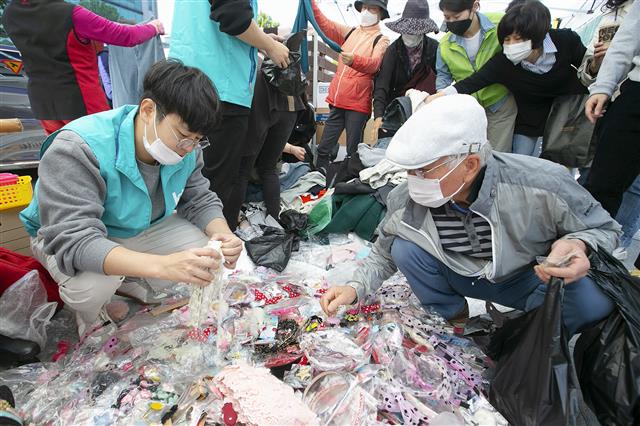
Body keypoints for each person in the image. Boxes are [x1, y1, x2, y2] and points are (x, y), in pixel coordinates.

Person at [320, 94, 620, 336]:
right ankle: (453, 318)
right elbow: (383, 254)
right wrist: (355, 287)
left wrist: (579, 245)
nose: (414, 180)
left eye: (424, 169)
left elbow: (605, 229)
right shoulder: (406, 198)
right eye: (410, 170)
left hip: (530, 279)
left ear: (470, 164)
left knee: (594, 303)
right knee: (404, 248)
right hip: (463, 275)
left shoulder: (542, 183)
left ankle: (531, 330)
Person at [19, 60, 243, 336]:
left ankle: (127, 276)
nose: (188, 148)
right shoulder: (78, 147)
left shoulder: (186, 148)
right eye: (184, 136)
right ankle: (93, 314)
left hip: (136, 225)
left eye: (197, 140)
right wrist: (163, 266)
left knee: (205, 251)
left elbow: (198, 196)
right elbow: (76, 240)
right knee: (92, 287)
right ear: (148, 110)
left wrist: (223, 235)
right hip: (68, 235)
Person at [169, 0, 290, 226]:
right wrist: (269, 46)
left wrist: (260, 40)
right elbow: (233, 14)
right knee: (215, 186)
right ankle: (214, 251)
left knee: (192, 179)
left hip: (192, 80)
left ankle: (199, 248)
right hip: (219, 88)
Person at [430, 0, 588, 157]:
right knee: (518, 160)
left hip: (569, 109)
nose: (512, 45)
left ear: (536, 35)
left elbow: (588, 65)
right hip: (530, 115)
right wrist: (438, 97)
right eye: (507, 39)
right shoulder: (505, 62)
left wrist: (594, 68)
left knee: (564, 159)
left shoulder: (565, 40)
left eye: (518, 39)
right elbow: (473, 82)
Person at [2, 0, 164, 135]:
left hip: (43, 103)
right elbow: (126, 36)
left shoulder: (10, 15)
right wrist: (153, 27)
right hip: (80, 101)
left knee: (61, 158)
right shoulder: (71, 14)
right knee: (100, 159)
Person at [584, 0, 640, 270]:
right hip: (637, 92)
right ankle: (584, 253)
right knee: (602, 182)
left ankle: (622, 257)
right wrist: (602, 87)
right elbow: (625, 43)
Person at [226, 53, 308, 228]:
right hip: (290, 112)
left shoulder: (255, 61)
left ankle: (231, 225)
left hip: (263, 107)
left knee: (243, 171)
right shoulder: (288, 64)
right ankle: (274, 221)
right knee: (269, 169)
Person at [311, 0, 390, 172]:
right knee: (323, 148)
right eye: (364, 7)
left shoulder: (382, 40)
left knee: (353, 151)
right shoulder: (350, 32)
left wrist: (355, 61)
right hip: (337, 102)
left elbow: (374, 64)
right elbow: (325, 24)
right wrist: (311, 3)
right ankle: (318, 181)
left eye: (371, 8)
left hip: (357, 105)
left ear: (381, 14)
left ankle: (349, 182)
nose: (366, 11)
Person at [435, 0, 517, 153]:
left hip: (499, 104)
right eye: (447, 18)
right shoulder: (445, 44)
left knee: (496, 155)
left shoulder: (500, 24)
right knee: (471, 156)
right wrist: (442, 96)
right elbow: (443, 76)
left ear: (474, 6)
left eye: (457, 16)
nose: (452, 22)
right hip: (469, 110)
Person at [371, 0, 440, 141]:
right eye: (407, 31)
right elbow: (382, 84)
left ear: (423, 31)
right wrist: (378, 116)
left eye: (414, 32)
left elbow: (441, 81)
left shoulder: (434, 48)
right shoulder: (393, 51)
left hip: (424, 109)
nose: (410, 35)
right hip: (396, 109)